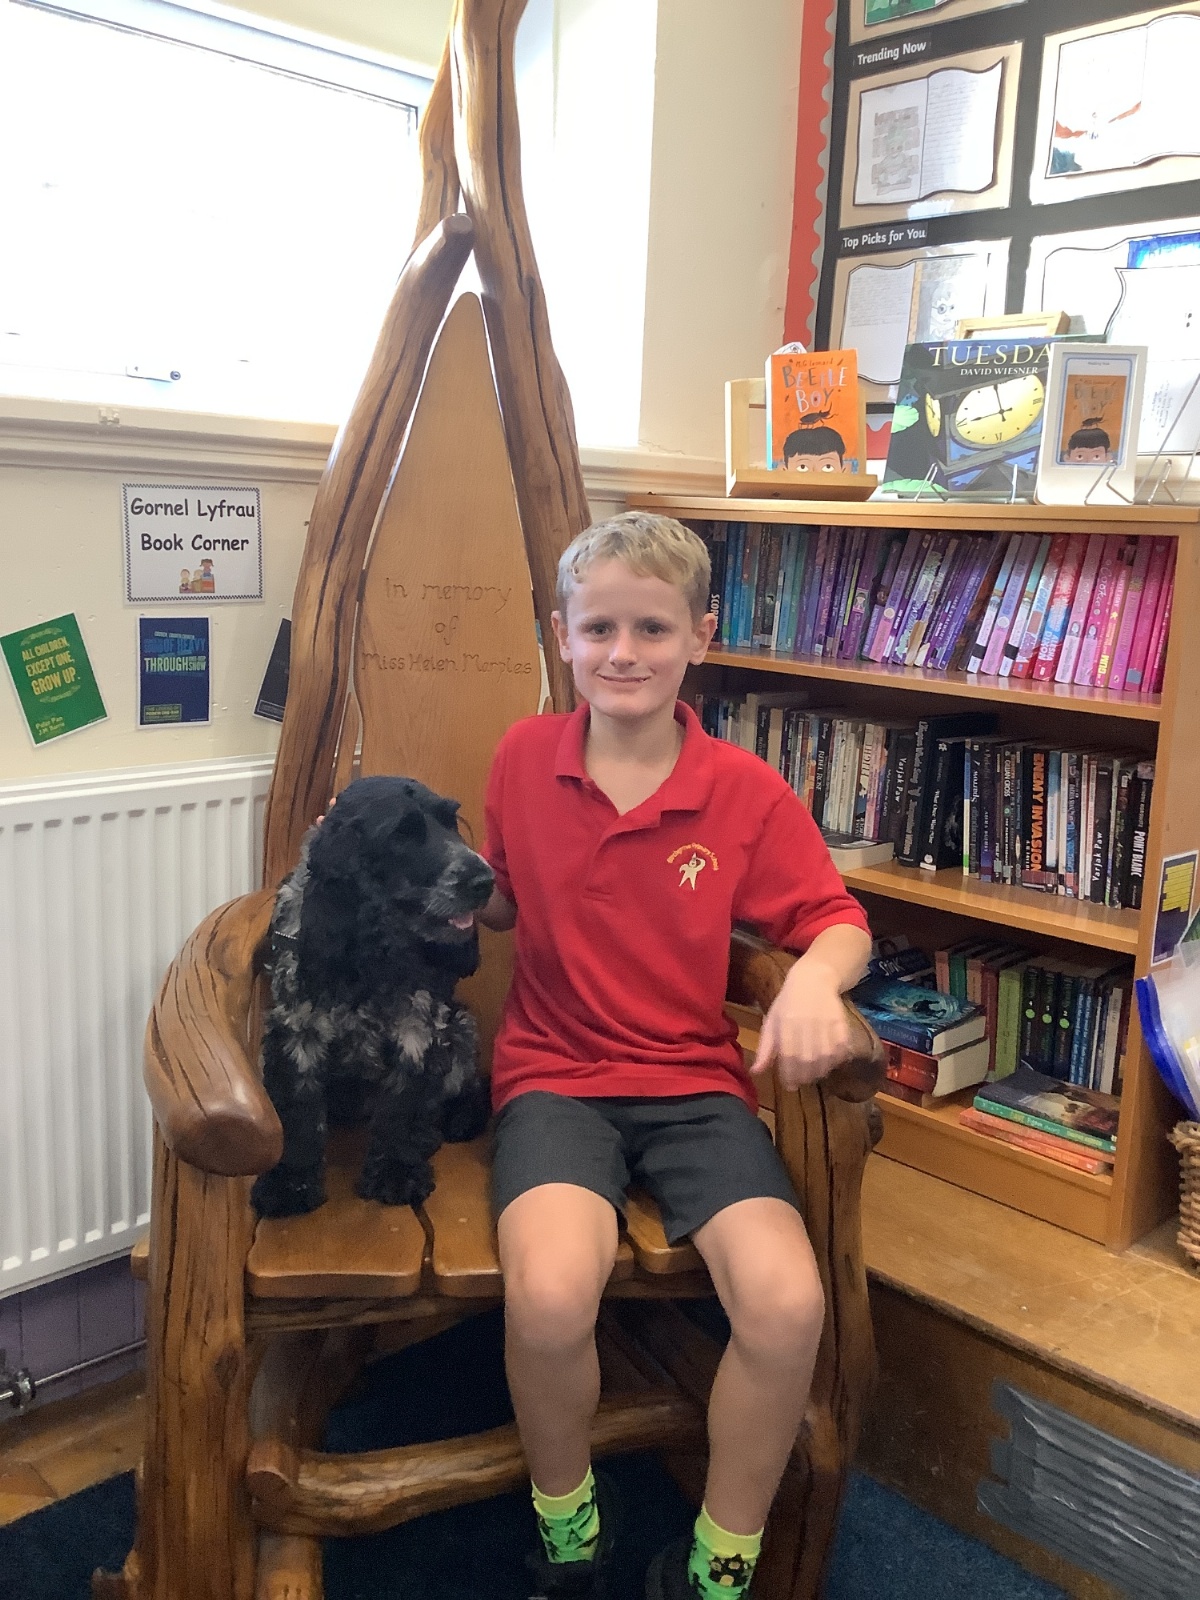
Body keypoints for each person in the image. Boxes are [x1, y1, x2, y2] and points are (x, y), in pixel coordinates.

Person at [475, 511, 871, 1600]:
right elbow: (499, 897)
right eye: (599, 627)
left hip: (696, 1086)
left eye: (652, 628)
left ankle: (717, 1565)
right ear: (563, 634)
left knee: (788, 1306)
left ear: (699, 635)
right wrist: (437, 888)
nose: (624, 652)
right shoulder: (520, 757)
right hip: (555, 1077)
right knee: (550, 1295)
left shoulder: (742, 788)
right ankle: (570, 1535)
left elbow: (839, 921)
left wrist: (813, 980)